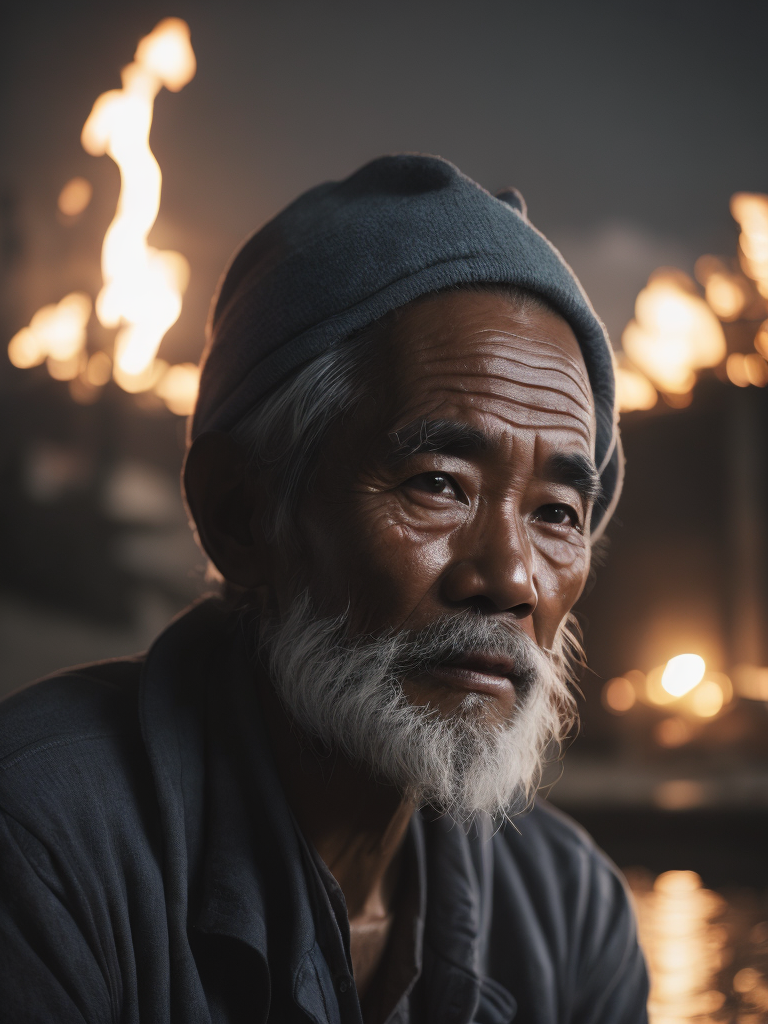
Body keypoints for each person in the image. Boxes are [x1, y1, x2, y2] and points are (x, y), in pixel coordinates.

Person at [0, 155, 647, 1023]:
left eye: (558, 514)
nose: (510, 579)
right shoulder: (38, 848)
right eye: (439, 483)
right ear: (241, 515)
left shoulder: (570, 915)